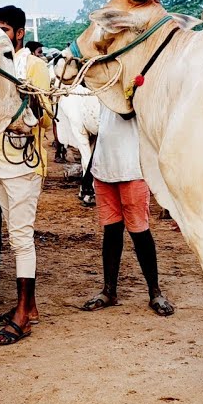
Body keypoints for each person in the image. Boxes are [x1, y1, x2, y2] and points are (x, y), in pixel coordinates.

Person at [0, 4, 52, 345]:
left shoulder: (34, 66)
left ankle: (23, 317)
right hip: (1, 162)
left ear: (19, 33)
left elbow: (47, 117)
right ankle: (28, 306)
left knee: (22, 239)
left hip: (25, 164)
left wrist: (30, 98)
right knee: (16, 238)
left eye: (5, 30)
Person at [80, 105, 175, 316]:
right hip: (104, 168)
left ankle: (155, 292)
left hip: (132, 169)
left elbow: (126, 112)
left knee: (140, 233)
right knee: (111, 232)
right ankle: (109, 291)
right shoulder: (104, 90)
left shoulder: (132, 90)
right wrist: (89, 171)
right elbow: (104, 128)